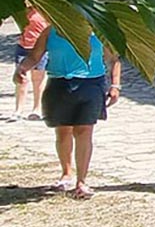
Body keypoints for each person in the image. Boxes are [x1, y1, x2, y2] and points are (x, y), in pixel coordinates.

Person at [14, 25, 121, 199]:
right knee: (63, 132)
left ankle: (82, 182)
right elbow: (35, 56)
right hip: (59, 84)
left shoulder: (98, 29)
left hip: (91, 84)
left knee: (84, 130)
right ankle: (66, 173)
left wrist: (115, 85)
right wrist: (22, 68)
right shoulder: (51, 31)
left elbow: (113, 59)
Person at [10, 1, 48, 121]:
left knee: (38, 80)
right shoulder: (23, 11)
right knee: (22, 80)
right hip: (23, 47)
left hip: (40, 48)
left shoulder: (45, 11)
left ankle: (37, 109)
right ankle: (18, 110)